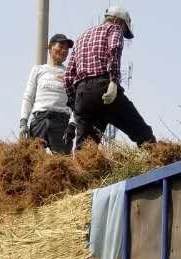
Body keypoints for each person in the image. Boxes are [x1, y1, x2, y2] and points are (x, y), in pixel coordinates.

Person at [64, 7, 155, 153]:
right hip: (104, 87)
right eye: (124, 28)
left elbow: (68, 76)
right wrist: (113, 81)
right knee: (141, 132)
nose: (123, 32)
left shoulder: (81, 36)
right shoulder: (114, 28)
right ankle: (158, 157)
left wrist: (74, 102)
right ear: (116, 20)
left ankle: (81, 173)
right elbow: (114, 50)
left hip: (82, 95)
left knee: (85, 149)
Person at [20, 33, 75, 156]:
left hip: (61, 123)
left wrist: (72, 124)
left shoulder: (70, 74)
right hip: (39, 120)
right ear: (50, 48)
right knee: (33, 160)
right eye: (60, 46)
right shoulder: (38, 70)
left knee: (62, 164)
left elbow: (76, 103)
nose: (64, 51)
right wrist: (23, 121)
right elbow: (28, 97)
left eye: (66, 49)